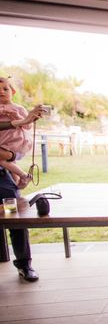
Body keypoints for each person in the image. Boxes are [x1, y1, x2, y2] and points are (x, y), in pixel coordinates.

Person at [0, 78, 48, 283]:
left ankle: (24, 264)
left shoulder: (15, 109)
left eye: (4, 89)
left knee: (13, 219)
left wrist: (10, 158)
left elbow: (15, 148)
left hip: (3, 178)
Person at [0, 77, 34, 188]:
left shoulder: (19, 109)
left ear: (13, 92)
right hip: (3, 143)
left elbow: (28, 126)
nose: (1, 92)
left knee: (3, 161)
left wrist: (18, 117)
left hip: (16, 142)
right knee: (10, 166)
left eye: (5, 89)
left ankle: (24, 175)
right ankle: (16, 187)